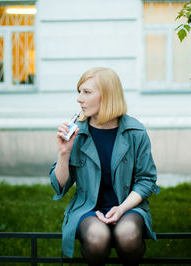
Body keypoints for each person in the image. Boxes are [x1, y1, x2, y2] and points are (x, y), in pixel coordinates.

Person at [49, 67, 160, 265]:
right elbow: (59, 186)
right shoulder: (78, 133)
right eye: (79, 92)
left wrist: (121, 208)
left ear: (108, 96)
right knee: (97, 239)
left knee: (128, 236)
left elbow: (146, 180)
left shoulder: (135, 132)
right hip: (88, 209)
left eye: (87, 92)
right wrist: (64, 153)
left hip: (128, 207)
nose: (79, 99)